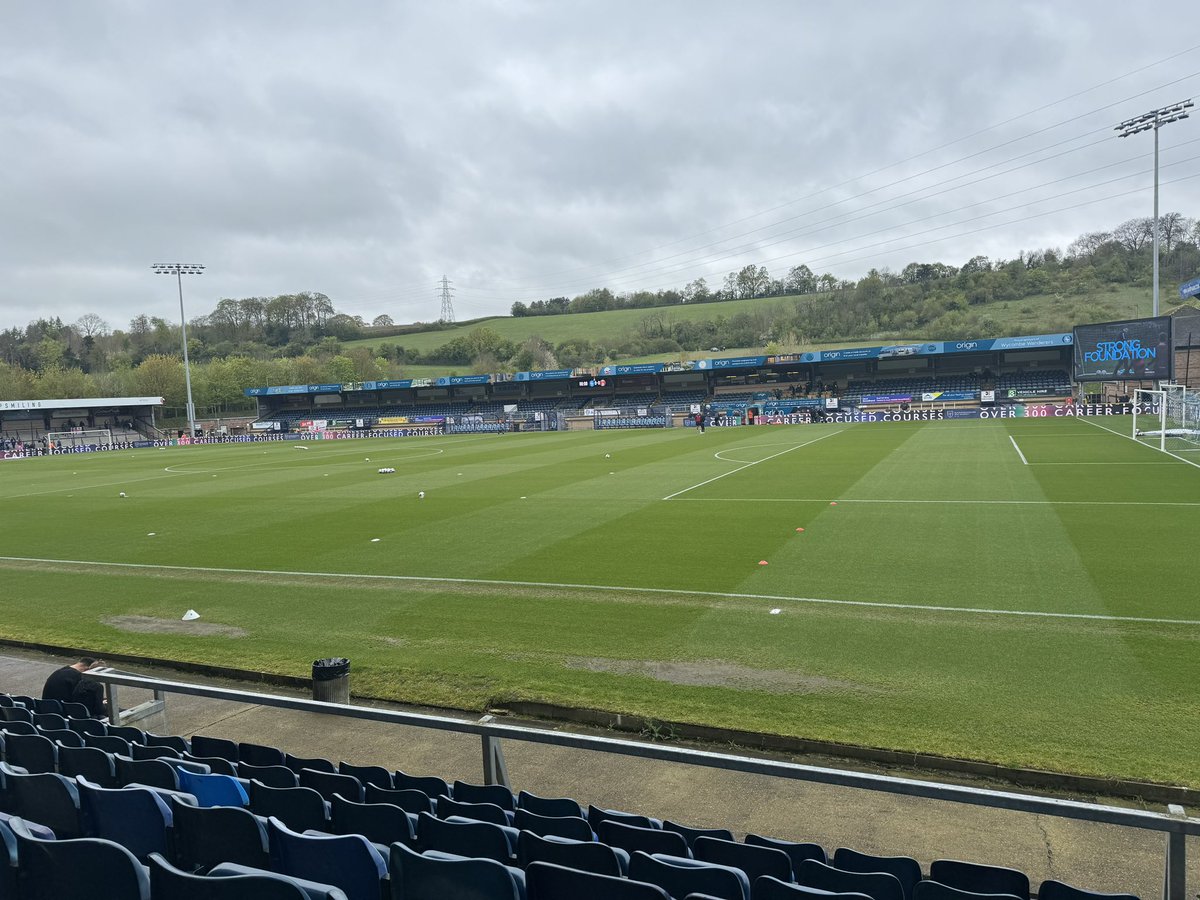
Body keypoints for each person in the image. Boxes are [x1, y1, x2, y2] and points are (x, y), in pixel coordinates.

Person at [42, 657, 107, 718]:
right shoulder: (78, 678)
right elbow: (83, 703)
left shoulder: (59, 672)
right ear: (87, 669)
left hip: (47, 710)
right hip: (63, 714)